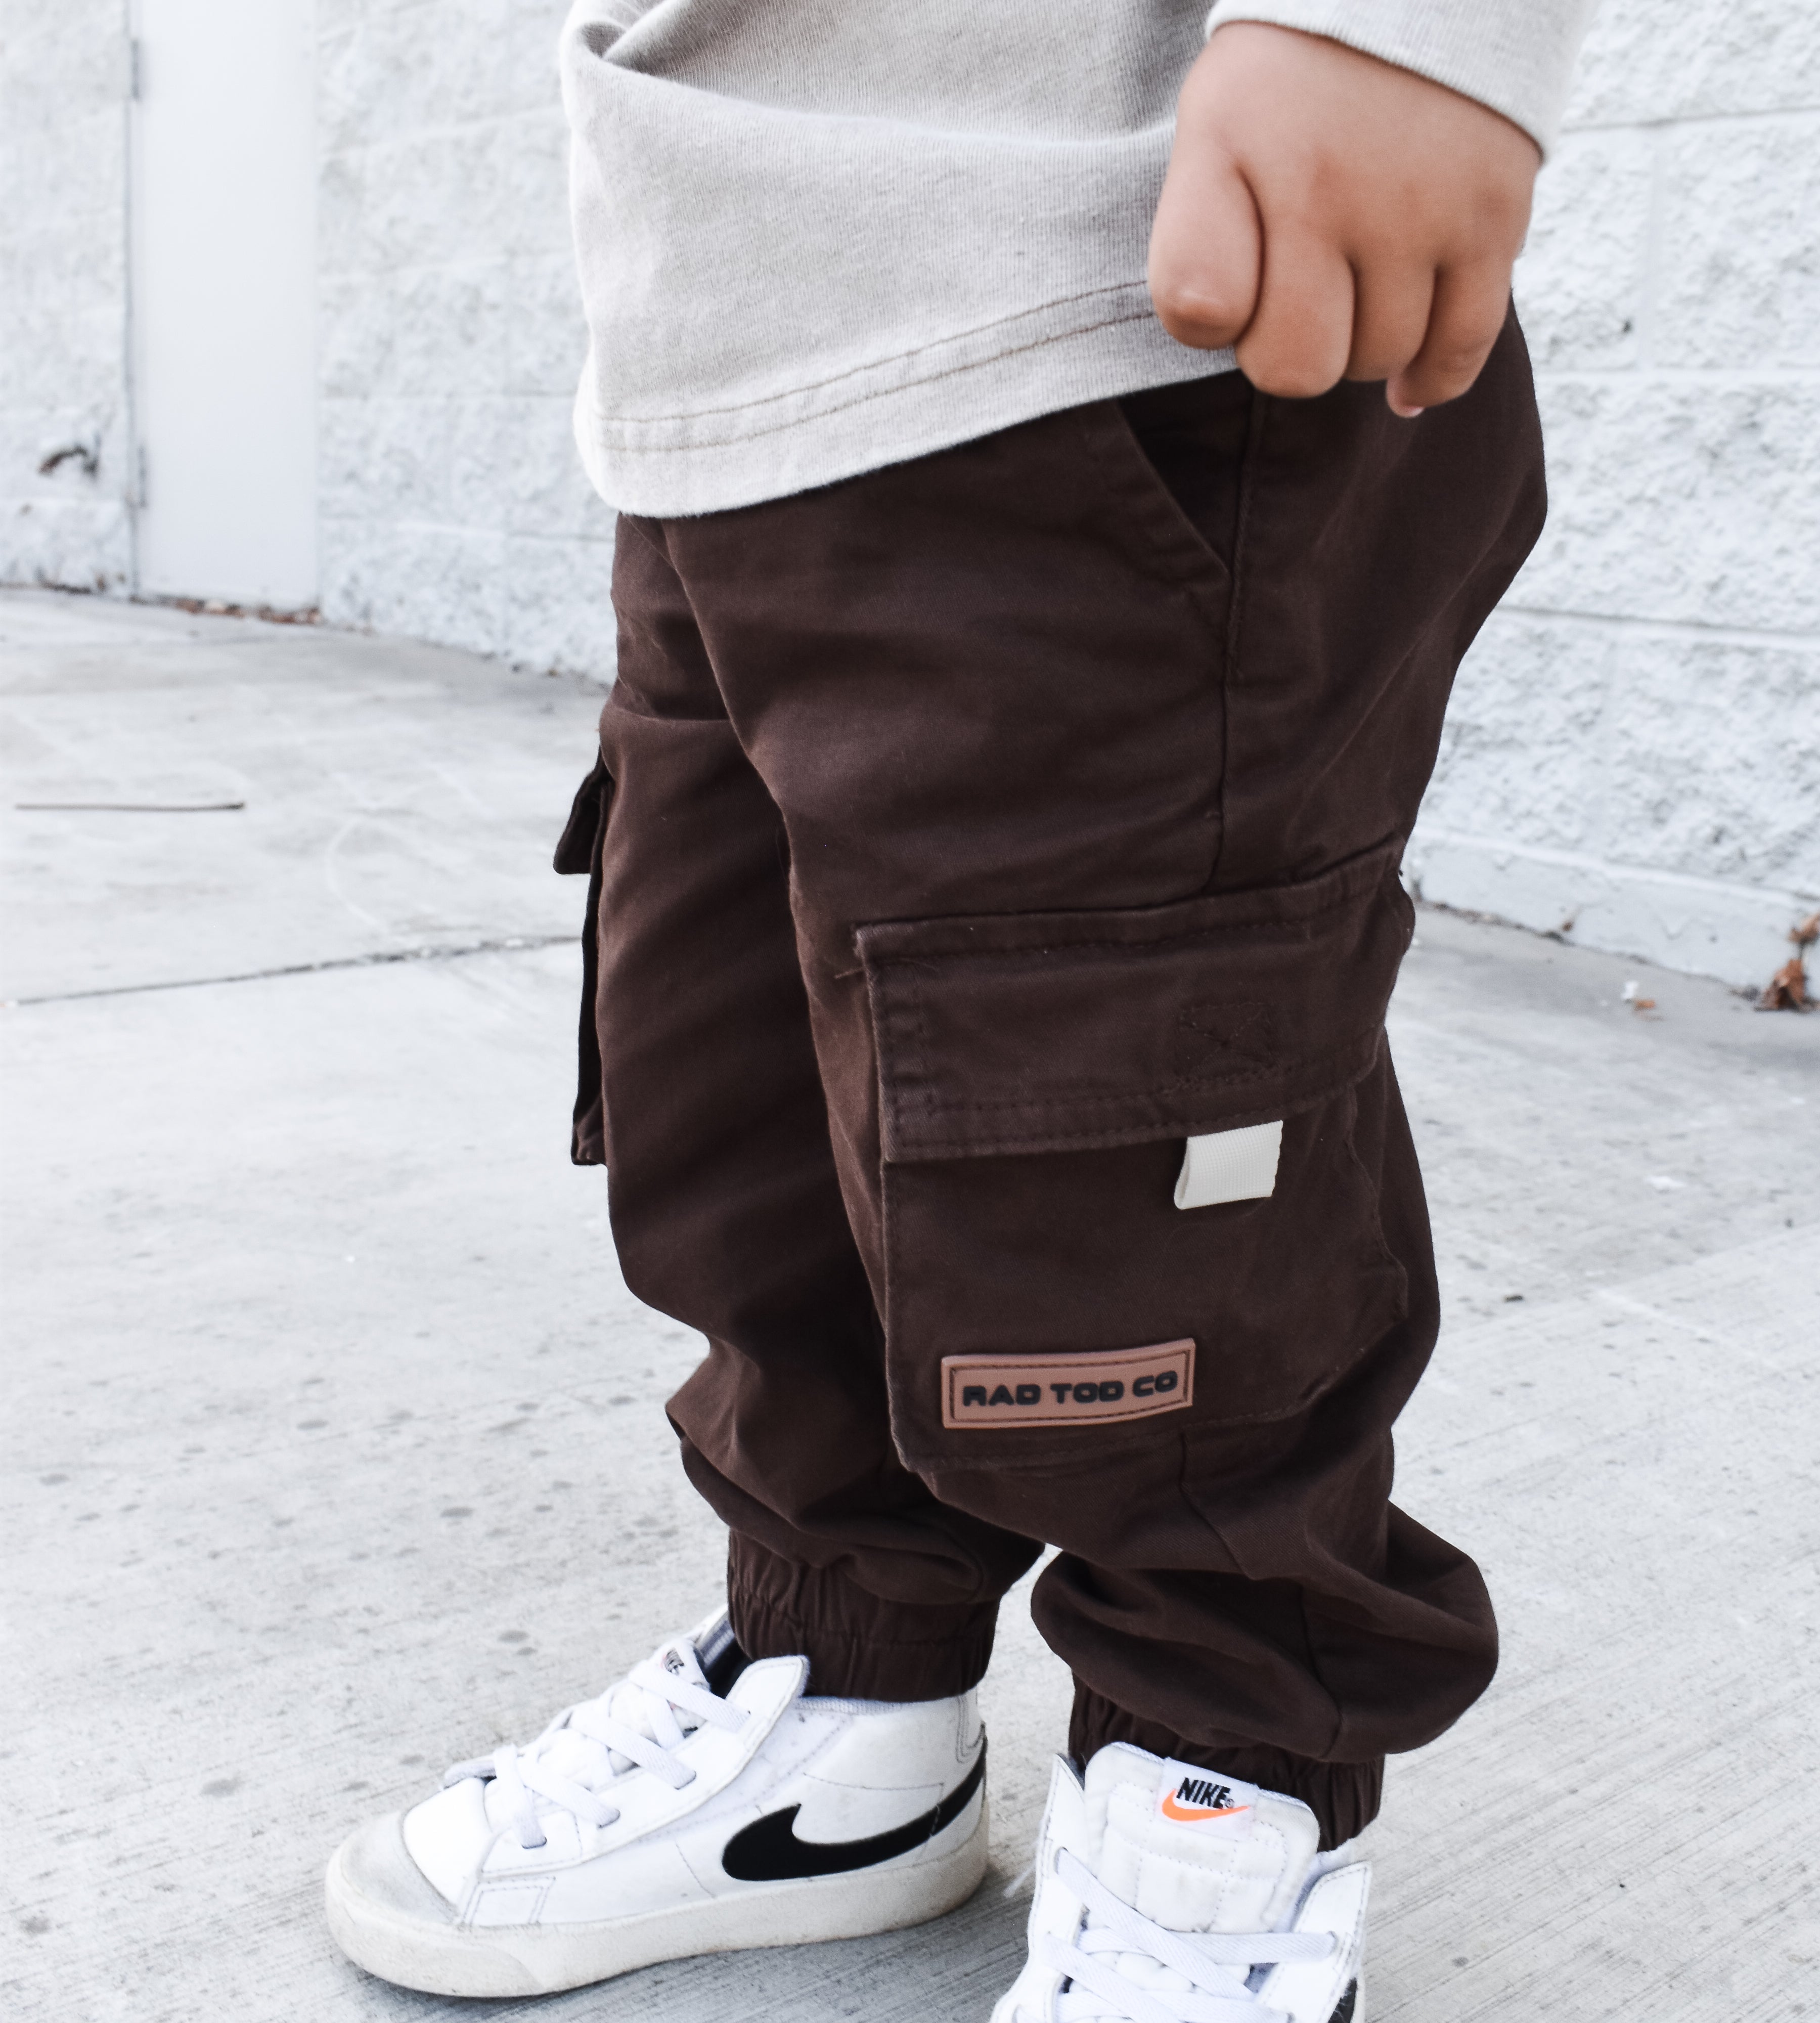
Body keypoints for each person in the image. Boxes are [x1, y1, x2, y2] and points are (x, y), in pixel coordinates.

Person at [326, 5, 1594, 2017]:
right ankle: (846, 1698)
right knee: (746, 1083)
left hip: (1113, 271)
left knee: (1125, 1192)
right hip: (733, 298)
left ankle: (1218, 1794)